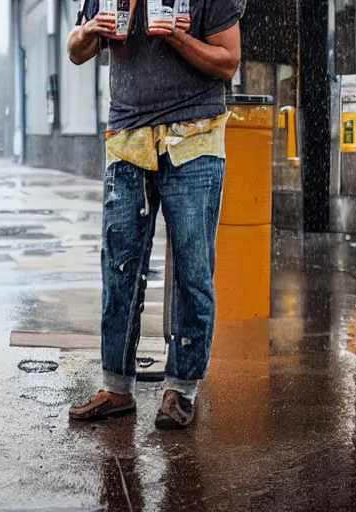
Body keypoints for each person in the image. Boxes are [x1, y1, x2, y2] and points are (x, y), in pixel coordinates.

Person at [67, 0, 245, 429]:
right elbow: (75, 50)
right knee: (120, 263)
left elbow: (228, 62)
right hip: (127, 136)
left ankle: (181, 390)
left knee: (192, 267)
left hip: (194, 136)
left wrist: (179, 39)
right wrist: (91, 29)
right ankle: (116, 387)